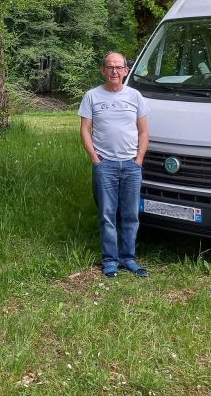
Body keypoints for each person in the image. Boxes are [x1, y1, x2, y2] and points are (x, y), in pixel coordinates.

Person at [78, 51, 150, 278]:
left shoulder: (136, 96)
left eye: (119, 67)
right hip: (105, 165)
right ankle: (110, 260)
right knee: (107, 215)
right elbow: (85, 130)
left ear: (126, 71)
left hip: (131, 165)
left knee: (130, 215)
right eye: (110, 67)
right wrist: (95, 159)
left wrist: (138, 160)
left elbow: (144, 131)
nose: (115, 71)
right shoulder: (92, 96)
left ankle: (129, 259)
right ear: (103, 70)